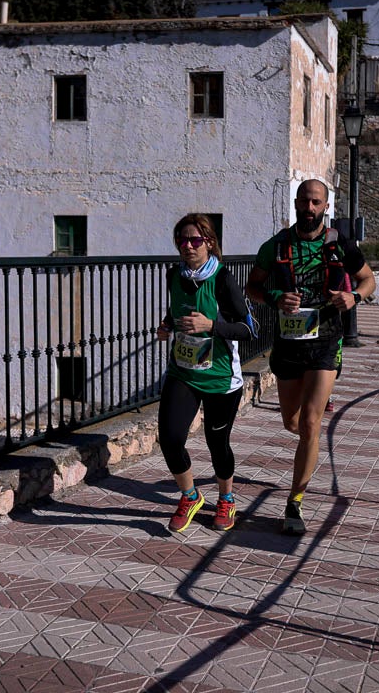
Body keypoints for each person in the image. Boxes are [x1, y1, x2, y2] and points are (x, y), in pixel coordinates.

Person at [245, 180, 376, 536]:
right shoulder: (274, 246)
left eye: (315, 202)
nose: (309, 208)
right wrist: (274, 298)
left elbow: (368, 280)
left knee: (311, 425)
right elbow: (252, 287)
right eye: (303, 201)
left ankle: (294, 503)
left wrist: (354, 298)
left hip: (326, 340)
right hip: (288, 343)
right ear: (295, 203)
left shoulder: (341, 245)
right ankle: (309, 426)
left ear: (326, 205)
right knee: (293, 423)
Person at [155, 214, 255, 533]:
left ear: (209, 243)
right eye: (182, 241)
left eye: (195, 240)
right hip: (183, 372)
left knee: (217, 444)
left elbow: (248, 328)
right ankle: (190, 495)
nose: (187, 246)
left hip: (220, 379)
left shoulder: (223, 279)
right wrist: (168, 325)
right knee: (170, 438)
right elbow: (177, 308)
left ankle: (226, 499)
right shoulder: (175, 274)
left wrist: (211, 326)